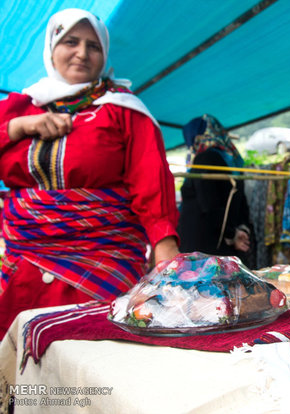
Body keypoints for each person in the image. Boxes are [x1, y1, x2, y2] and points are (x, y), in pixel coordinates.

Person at [0, 9, 180, 336]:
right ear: (51, 48)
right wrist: (18, 126)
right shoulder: (19, 107)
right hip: (21, 265)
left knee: (91, 356)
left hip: (102, 265)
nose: (82, 53)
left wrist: (166, 255)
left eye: (93, 46)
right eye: (71, 41)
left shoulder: (124, 110)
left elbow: (152, 180)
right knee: (17, 360)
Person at [177, 114, 252, 265]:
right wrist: (238, 231)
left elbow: (209, 204)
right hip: (224, 244)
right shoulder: (232, 161)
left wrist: (232, 234)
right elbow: (239, 203)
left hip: (205, 248)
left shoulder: (204, 159)